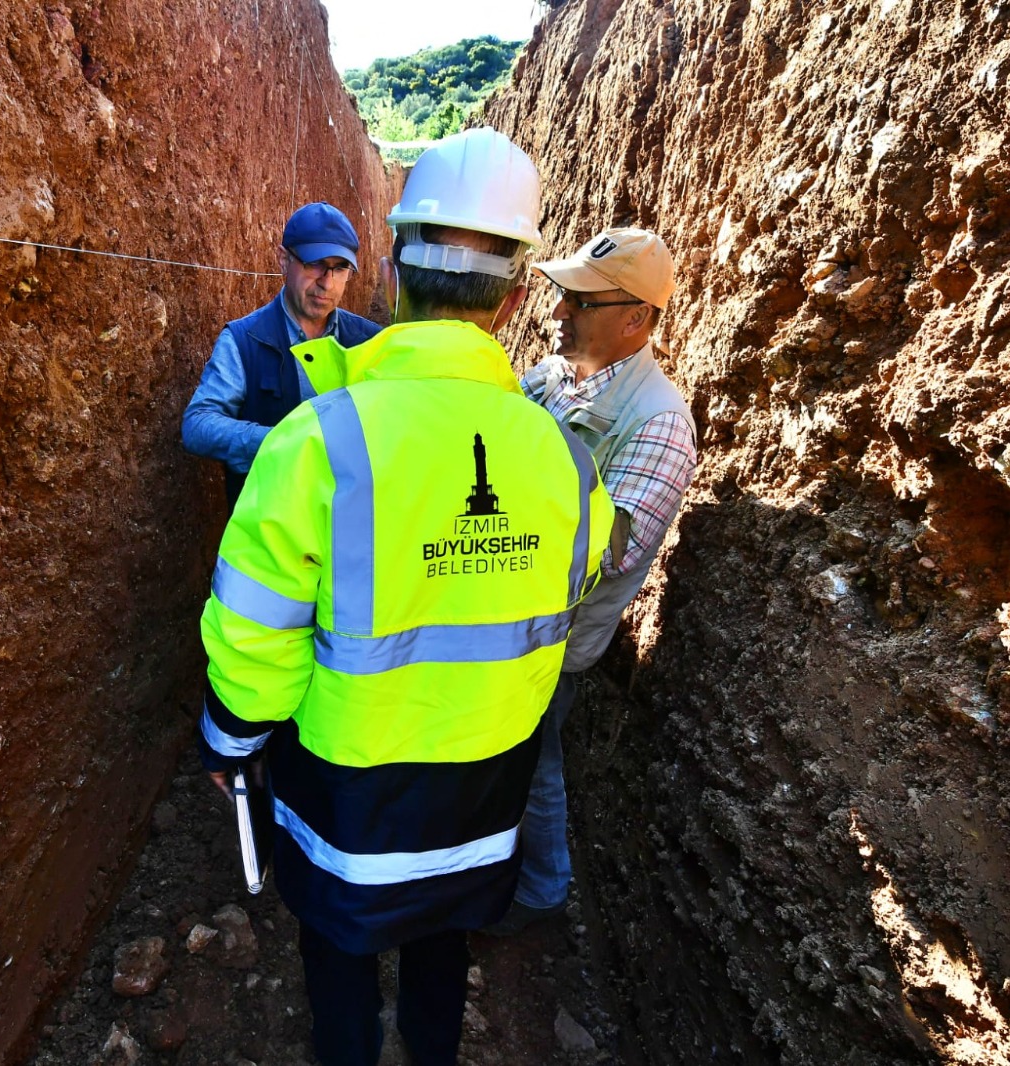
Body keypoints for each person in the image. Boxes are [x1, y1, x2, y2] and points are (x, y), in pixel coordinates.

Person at [196, 128, 614, 1066]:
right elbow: (573, 587)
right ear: (514, 296)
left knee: (338, 950)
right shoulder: (566, 457)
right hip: (486, 781)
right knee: (443, 940)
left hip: (348, 783)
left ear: (389, 269)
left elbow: (256, 634)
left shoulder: (315, 441)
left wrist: (229, 741)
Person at [488, 227, 699, 934]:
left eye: (580, 301)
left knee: (532, 762)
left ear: (636, 317)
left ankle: (541, 889)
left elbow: (612, 551)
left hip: (554, 640)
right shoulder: (553, 377)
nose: (558, 312)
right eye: (561, 295)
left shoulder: (660, 423)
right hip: (506, 617)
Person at [181, 201, 381, 506]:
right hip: (269, 521)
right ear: (284, 260)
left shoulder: (370, 341)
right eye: (315, 264)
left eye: (340, 268)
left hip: (345, 521)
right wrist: (281, 442)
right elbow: (198, 425)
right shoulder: (243, 341)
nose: (327, 283)